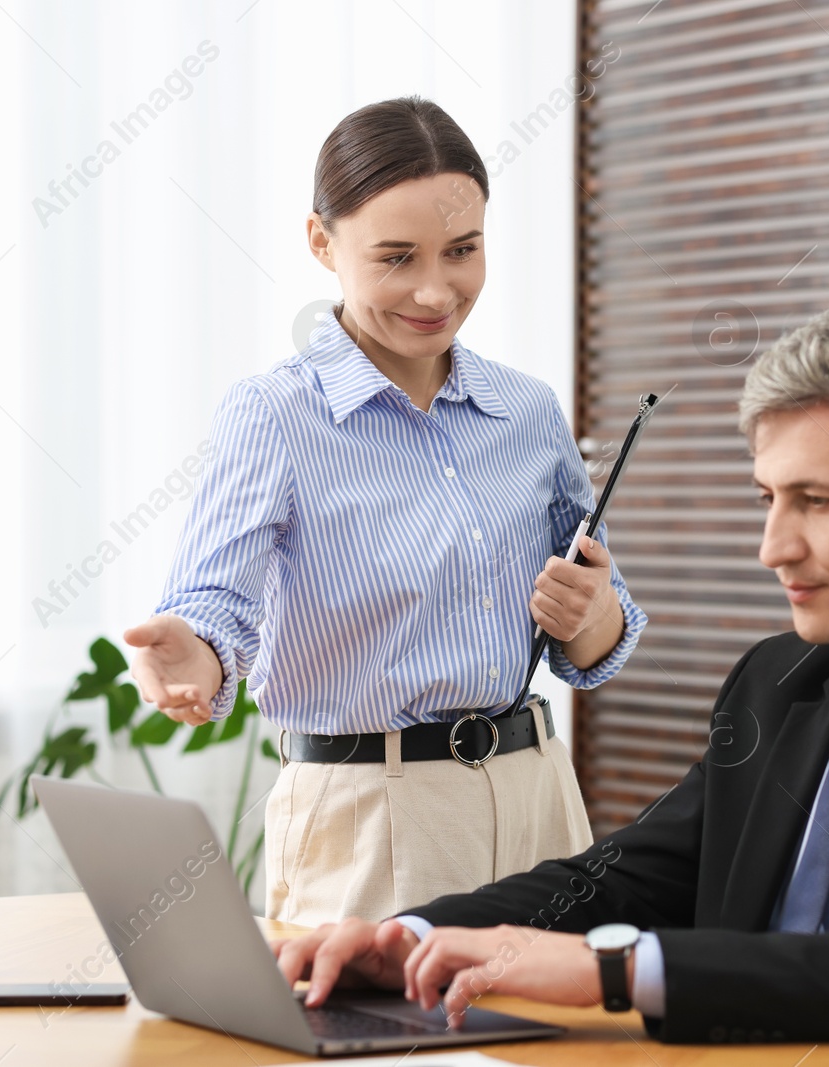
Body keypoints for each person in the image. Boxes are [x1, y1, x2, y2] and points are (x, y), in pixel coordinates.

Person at [275, 298, 829, 1066]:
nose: (772, 547)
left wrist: (611, 974)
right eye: (766, 499)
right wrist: (410, 939)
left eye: (815, 502)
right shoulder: (780, 684)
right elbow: (626, 877)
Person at [123, 96, 647, 926]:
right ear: (322, 243)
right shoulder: (275, 414)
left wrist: (592, 612)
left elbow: (594, 641)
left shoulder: (529, 410)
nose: (436, 290)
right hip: (370, 818)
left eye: (463, 251)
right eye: (397, 257)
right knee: (387, 1052)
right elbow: (214, 606)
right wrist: (198, 655)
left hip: (541, 796)